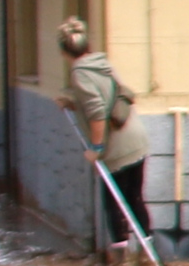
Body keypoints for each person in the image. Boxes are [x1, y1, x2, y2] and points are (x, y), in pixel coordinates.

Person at [61, 15, 148, 250]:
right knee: (135, 198)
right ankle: (145, 257)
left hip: (116, 146)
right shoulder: (102, 63)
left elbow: (98, 113)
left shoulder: (79, 73)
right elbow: (105, 94)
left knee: (115, 203)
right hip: (135, 137)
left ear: (65, 53)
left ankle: (121, 264)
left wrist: (96, 149)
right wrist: (73, 102)